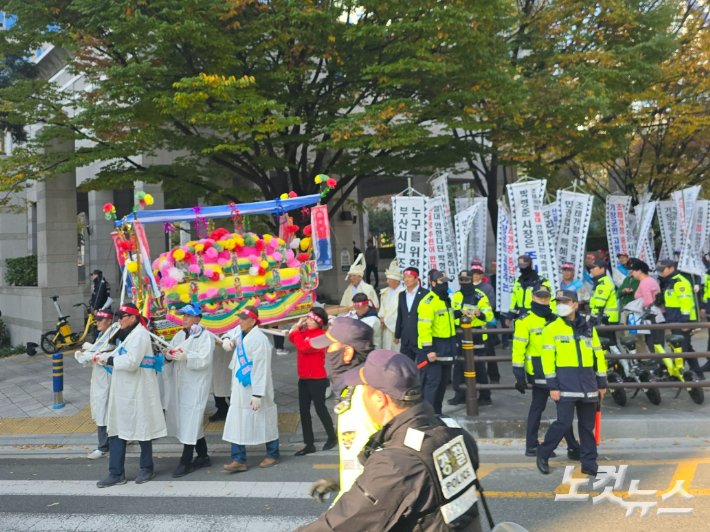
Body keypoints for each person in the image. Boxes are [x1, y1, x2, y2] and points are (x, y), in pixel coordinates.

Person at [295, 350, 482, 532]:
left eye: (363, 392)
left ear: (379, 399)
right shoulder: (454, 433)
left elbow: (341, 523)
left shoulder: (395, 463)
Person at [95, 303, 167, 487]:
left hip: (139, 388)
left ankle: (147, 468)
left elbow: (132, 361)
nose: (119, 319)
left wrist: (109, 359)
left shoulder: (140, 335)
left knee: (142, 427)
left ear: (133, 318)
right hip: (122, 388)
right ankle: (116, 473)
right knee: (117, 429)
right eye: (119, 316)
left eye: (122, 316)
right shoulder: (127, 334)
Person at [536, 290, 607, 477]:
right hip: (565, 383)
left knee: (587, 426)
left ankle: (589, 462)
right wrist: (552, 386)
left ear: (575, 304)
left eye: (564, 301)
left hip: (588, 384)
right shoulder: (551, 329)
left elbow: (598, 356)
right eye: (558, 301)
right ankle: (542, 453)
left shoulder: (589, 328)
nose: (560, 305)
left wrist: (601, 383)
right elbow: (547, 360)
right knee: (563, 423)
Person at [308, 317, 377, 501]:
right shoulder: (352, 391)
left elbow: (389, 470)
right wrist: (342, 482)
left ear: (347, 353)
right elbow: (370, 458)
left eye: (330, 346)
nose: (326, 352)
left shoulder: (366, 396)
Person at [511, 285, 580, 460]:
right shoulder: (525, 320)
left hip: (558, 371)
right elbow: (518, 349)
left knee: (563, 411)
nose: (543, 300)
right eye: (539, 297)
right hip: (538, 372)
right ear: (533, 297)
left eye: (546, 297)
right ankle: (532, 445)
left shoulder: (556, 317)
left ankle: (572, 447)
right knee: (538, 408)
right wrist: (518, 374)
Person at [222, 306, 280, 471]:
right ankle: (239, 458)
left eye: (243, 319)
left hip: (255, 386)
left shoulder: (259, 339)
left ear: (253, 321)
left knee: (265, 418)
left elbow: (261, 368)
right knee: (237, 420)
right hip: (240, 385)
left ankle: (273, 454)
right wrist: (227, 339)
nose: (239, 321)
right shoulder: (241, 331)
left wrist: (258, 393)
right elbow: (229, 334)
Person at [163, 304, 215, 478]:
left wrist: (187, 357)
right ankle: (203, 456)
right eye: (183, 315)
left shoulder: (204, 336)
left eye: (188, 315)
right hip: (181, 384)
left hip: (196, 385)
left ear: (198, 318)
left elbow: (204, 360)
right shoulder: (180, 335)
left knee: (191, 420)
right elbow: (170, 352)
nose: (184, 318)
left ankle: (185, 461)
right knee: (189, 421)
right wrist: (168, 354)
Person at [288, 307, 337, 456]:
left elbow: (303, 347)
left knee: (320, 409)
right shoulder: (306, 332)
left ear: (319, 322)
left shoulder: (321, 336)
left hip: (317, 379)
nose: (308, 321)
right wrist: (299, 327)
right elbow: (292, 338)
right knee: (304, 411)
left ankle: (332, 437)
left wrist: (296, 331)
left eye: (311, 319)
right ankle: (309, 443)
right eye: (307, 318)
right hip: (304, 378)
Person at [74, 307, 116, 459]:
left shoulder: (115, 336)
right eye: (96, 320)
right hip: (99, 377)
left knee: (106, 409)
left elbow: (103, 354)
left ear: (109, 320)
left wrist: (85, 354)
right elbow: (93, 353)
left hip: (109, 377)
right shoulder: (101, 334)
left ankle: (103, 446)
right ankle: (107, 443)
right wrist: (85, 354)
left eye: (100, 320)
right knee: (101, 408)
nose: (97, 323)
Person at [449, 270, 494, 407]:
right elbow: (450, 313)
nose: (463, 283)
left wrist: (480, 314)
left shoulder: (480, 295)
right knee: (458, 365)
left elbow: (489, 315)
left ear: (471, 281)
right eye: (461, 280)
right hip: (460, 334)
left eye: (466, 280)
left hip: (477, 335)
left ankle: (485, 396)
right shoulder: (456, 295)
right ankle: (460, 394)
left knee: (479, 366)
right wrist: (459, 312)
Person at [417, 270, 456, 415]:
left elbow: (448, 321)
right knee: (432, 383)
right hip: (433, 349)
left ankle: (437, 413)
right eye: (441, 282)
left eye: (446, 282)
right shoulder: (429, 302)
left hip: (447, 347)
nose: (445, 285)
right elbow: (424, 328)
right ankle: (428, 414)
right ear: (432, 283)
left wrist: (461, 313)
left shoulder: (445, 299)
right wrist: (429, 350)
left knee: (442, 383)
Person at [657, 259, 704, 379]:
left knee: (681, 348)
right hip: (675, 319)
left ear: (672, 268)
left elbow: (686, 303)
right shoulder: (670, 281)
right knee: (685, 347)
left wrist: (685, 322)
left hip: (681, 320)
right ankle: (697, 373)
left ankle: (680, 376)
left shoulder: (679, 282)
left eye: (663, 270)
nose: (661, 273)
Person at [471, 263, 500, 384]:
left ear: (482, 276)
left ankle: (494, 376)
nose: (475, 277)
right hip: (472, 325)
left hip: (486, 324)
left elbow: (491, 304)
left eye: (478, 274)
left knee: (489, 351)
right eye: (473, 274)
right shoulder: (467, 287)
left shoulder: (487, 288)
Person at [506, 255, 553, 325]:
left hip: (537, 315)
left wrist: (551, 316)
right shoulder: (518, 281)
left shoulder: (541, 280)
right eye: (521, 267)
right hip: (522, 315)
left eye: (524, 267)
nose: (522, 269)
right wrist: (510, 316)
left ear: (531, 265)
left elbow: (550, 299)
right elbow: (514, 301)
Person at [394, 267, 429, 361]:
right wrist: (397, 335)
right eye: (405, 277)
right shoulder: (401, 295)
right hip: (406, 338)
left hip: (420, 337)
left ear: (417, 278)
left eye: (409, 277)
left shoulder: (425, 294)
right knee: (405, 367)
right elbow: (400, 315)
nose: (406, 279)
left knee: (421, 368)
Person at [629, 260, 663, 351]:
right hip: (657, 314)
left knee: (652, 344)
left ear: (639, 271)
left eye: (633, 272)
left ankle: (657, 363)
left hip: (650, 317)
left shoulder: (644, 282)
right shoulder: (651, 280)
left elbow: (648, 301)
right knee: (658, 344)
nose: (632, 274)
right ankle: (661, 363)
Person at [587, 259, 620, 347]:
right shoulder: (600, 282)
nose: (591, 270)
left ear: (602, 269)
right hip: (605, 318)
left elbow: (599, 305)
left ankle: (619, 360)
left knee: (608, 345)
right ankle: (619, 359)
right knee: (610, 344)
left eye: (594, 268)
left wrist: (591, 319)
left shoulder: (603, 283)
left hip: (605, 319)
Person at [378, 260, 404, 351]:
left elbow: (401, 313)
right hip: (386, 327)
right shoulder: (386, 292)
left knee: (396, 351)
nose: (387, 281)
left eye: (389, 279)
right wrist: (382, 317)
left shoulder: (403, 293)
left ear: (396, 281)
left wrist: (387, 320)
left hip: (395, 328)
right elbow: (383, 308)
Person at [489, 260, 510, 349]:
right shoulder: (489, 278)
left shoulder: (505, 279)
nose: (493, 269)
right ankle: (496, 339)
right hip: (493, 305)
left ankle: (505, 343)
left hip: (503, 305)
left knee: (505, 324)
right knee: (491, 323)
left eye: (495, 267)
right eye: (492, 267)